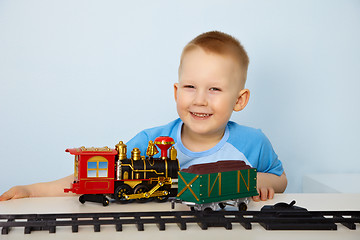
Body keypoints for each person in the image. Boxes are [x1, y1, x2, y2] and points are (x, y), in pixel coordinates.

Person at [0, 31, 287, 202]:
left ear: (240, 100)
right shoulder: (149, 140)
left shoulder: (253, 142)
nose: (200, 99)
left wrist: (262, 182)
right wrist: (32, 189)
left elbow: (281, 179)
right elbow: (98, 175)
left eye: (214, 89)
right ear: (176, 91)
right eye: (190, 87)